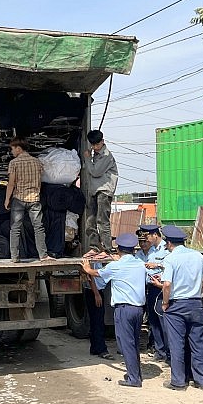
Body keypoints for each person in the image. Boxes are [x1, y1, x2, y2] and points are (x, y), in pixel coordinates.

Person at [82, 233, 147, 387]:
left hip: (124, 309)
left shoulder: (115, 266)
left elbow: (96, 273)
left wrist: (86, 268)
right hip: (138, 309)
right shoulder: (139, 264)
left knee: (126, 343)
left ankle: (134, 379)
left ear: (118, 250)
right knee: (134, 342)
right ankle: (135, 373)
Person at [158, 225, 203, 391]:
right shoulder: (197, 255)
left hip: (176, 305)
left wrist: (165, 302)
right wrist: (198, 290)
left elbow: (167, 284)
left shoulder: (170, 259)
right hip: (196, 303)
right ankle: (202, 381)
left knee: (177, 344)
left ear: (169, 243)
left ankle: (178, 381)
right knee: (198, 343)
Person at [4, 137, 51, 262]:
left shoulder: (14, 163)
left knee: (15, 228)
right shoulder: (37, 162)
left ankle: (14, 257)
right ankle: (43, 255)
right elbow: (40, 181)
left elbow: (11, 184)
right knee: (38, 227)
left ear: (19, 149)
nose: (12, 152)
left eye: (12, 149)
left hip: (19, 199)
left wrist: (7, 199)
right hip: (34, 199)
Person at [82, 130, 118, 259]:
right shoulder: (95, 155)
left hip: (104, 191)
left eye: (97, 144)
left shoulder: (106, 156)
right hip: (94, 191)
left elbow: (95, 172)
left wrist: (87, 158)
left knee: (102, 221)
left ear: (102, 141)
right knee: (90, 222)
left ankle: (107, 249)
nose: (95, 147)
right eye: (93, 145)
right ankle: (94, 247)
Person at [138, 224, 170, 363]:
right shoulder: (151, 251)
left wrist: (158, 265)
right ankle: (160, 350)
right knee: (153, 321)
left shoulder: (166, 249)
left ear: (155, 235)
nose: (146, 240)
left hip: (162, 288)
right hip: (150, 288)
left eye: (147, 236)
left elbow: (172, 265)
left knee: (164, 321)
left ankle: (168, 352)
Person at [83, 260, 113, 360]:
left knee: (96, 320)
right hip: (94, 291)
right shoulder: (93, 259)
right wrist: (96, 294)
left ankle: (95, 347)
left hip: (99, 290)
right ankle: (101, 349)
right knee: (98, 320)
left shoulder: (105, 258)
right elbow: (90, 277)